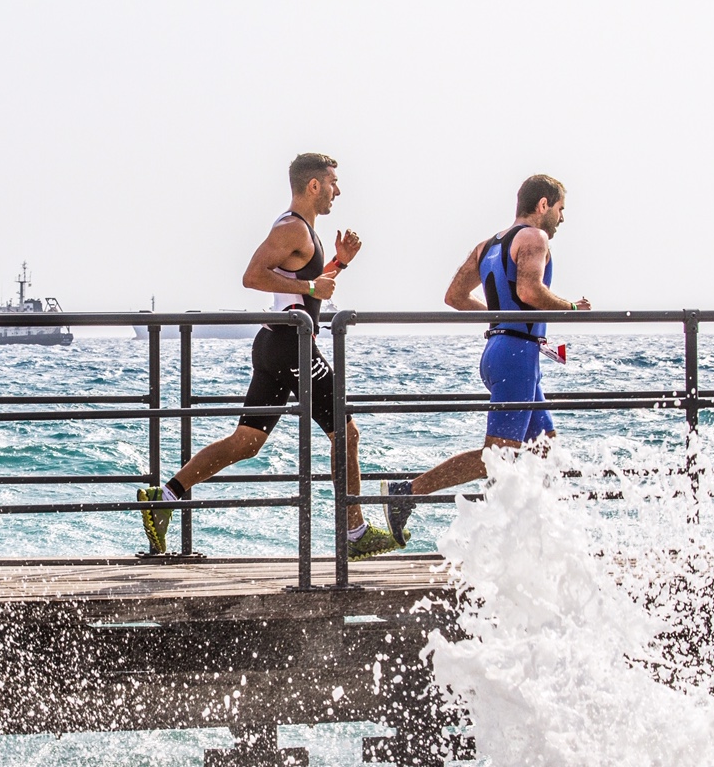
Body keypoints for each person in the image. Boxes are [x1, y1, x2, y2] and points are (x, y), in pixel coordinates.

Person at [137, 153, 404, 558]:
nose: (337, 191)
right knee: (346, 434)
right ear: (313, 185)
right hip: (290, 344)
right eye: (332, 182)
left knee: (247, 442)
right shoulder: (291, 228)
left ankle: (166, 498)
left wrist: (339, 264)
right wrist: (312, 288)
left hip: (276, 344)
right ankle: (356, 534)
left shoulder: (304, 232)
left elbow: (305, 286)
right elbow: (253, 276)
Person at [380, 174, 591, 543]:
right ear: (543, 204)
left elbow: (455, 296)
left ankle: (532, 536)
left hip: (505, 351)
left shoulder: (487, 246)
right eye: (560, 209)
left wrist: (499, 323)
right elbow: (529, 290)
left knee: (545, 449)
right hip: (517, 356)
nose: (562, 218)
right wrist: (572, 307)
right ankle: (407, 493)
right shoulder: (534, 238)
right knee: (496, 455)